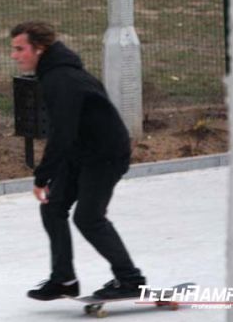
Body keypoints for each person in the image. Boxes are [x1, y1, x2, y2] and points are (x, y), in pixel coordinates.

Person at [9, 21, 146, 301]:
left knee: (88, 217)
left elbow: (62, 132)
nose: (15, 55)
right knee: (53, 207)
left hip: (104, 154)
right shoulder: (54, 74)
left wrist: (42, 175)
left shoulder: (62, 79)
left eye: (20, 49)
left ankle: (131, 279)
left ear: (40, 48)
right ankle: (64, 280)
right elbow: (67, 134)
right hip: (81, 152)